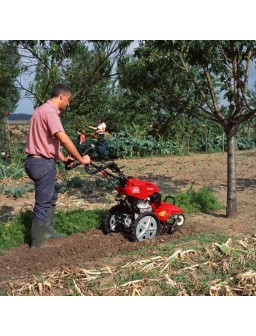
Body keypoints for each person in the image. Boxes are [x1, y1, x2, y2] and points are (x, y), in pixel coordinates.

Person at [24, 83, 91, 248]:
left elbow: (47, 141)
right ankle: (37, 242)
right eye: (68, 100)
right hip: (42, 163)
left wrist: (62, 158)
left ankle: (48, 230)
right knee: (43, 202)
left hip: (34, 161)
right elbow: (63, 138)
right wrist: (81, 159)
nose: (68, 103)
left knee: (52, 195)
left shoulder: (40, 111)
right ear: (61, 96)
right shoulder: (50, 113)